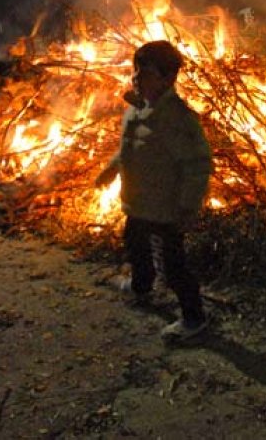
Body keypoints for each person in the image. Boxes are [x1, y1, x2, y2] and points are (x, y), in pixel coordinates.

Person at [95, 40, 212, 342]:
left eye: (144, 73)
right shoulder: (137, 109)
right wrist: (111, 169)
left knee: (174, 266)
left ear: (166, 79)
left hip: (166, 208)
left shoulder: (176, 119)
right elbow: (128, 150)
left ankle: (193, 317)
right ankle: (141, 287)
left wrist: (188, 206)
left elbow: (196, 165)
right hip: (137, 203)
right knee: (136, 246)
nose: (136, 78)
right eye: (135, 71)